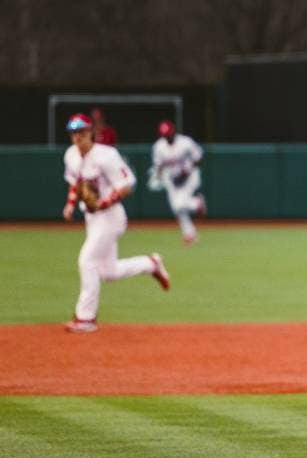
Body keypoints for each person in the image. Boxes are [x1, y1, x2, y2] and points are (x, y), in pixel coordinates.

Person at [61, 113, 170, 333]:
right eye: (73, 133)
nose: (77, 138)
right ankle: (151, 264)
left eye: (81, 132)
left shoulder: (107, 155)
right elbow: (76, 184)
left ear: (90, 132)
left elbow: (128, 183)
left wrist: (104, 202)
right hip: (92, 218)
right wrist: (71, 204)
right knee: (108, 272)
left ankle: (86, 318)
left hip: (111, 217)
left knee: (87, 260)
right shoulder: (71, 155)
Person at [151, 120, 206, 245]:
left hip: (189, 176)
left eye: (169, 134)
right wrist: (158, 176)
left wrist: (188, 170)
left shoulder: (185, 142)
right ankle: (190, 232)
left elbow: (199, 157)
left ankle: (197, 204)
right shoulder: (159, 147)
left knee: (180, 204)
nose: (167, 137)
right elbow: (158, 166)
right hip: (172, 179)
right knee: (177, 208)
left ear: (173, 131)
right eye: (165, 135)